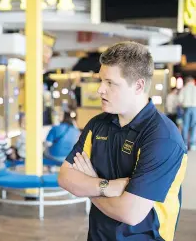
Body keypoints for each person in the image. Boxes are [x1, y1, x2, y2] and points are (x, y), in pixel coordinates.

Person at [58, 42, 188, 241]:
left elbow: (130, 214)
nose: (100, 90)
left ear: (138, 86)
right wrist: (107, 187)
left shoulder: (163, 138)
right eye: (101, 80)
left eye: (110, 83)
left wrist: (89, 186)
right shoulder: (97, 124)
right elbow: (65, 178)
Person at [178, 76, 196, 151]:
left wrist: (182, 105)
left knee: (185, 126)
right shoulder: (195, 88)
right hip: (195, 108)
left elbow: (180, 99)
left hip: (186, 108)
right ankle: (192, 144)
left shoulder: (184, 89)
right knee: (194, 126)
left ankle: (185, 144)